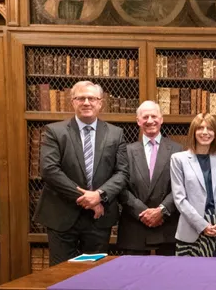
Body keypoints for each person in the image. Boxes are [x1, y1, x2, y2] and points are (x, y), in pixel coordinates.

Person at [33, 81, 128, 265]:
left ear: (100, 103)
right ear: (72, 102)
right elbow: (49, 170)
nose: (86, 102)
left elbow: (122, 173)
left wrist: (99, 195)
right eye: (81, 98)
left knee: (94, 276)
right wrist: (89, 200)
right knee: (60, 274)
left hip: (99, 218)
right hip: (61, 214)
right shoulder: (54, 131)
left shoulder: (116, 134)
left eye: (91, 98)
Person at [117, 101, 183, 256]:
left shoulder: (177, 149)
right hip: (134, 227)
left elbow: (181, 187)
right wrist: (143, 212)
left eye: (154, 116)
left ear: (161, 119)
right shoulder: (126, 151)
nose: (150, 120)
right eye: (145, 117)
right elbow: (120, 187)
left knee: (167, 278)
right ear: (138, 121)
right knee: (134, 278)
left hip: (167, 226)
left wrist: (162, 210)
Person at [170, 113, 216, 257]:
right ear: (193, 132)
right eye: (200, 128)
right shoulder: (178, 159)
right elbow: (179, 199)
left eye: (210, 129)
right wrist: (202, 225)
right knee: (188, 275)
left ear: (215, 133)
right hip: (191, 228)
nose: (205, 132)